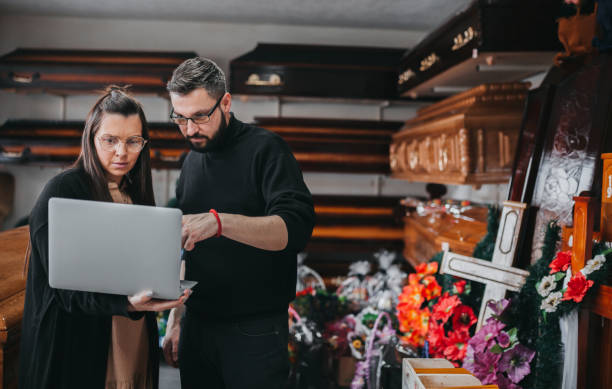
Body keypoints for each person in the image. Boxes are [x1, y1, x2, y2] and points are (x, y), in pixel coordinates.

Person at [18, 86, 189, 389]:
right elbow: (62, 290)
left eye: (133, 141)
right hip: (78, 346)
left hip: (131, 338)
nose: (122, 152)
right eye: (110, 140)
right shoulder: (62, 191)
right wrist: (128, 304)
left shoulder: (135, 193)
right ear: (91, 138)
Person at [161, 57, 315, 389]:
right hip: (197, 326)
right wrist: (175, 320)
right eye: (180, 118)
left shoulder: (266, 149)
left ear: (226, 102)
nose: (190, 130)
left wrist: (219, 222)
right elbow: (188, 251)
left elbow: (295, 230)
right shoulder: (189, 162)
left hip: (254, 331)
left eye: (200, 116)